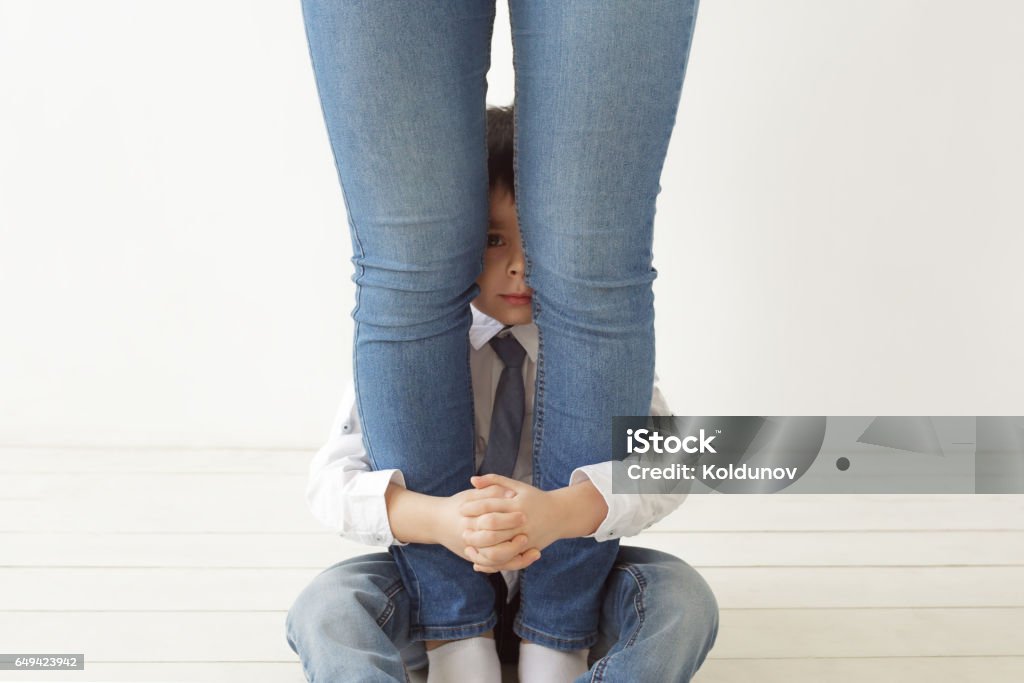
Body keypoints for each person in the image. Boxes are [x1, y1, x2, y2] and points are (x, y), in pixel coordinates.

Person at [299, 0, 702, 670]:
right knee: (329, 607)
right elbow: (329, 483)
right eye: (493, 241)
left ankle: (564, 648)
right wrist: (438, 520)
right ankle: (455, 640)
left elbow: (671, 464)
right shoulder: (430, 354)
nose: (518, 266)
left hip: (586, 571)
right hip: (426, 579)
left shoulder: (588, 357)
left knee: (680, 599)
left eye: (532, 242)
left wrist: (565, 511)